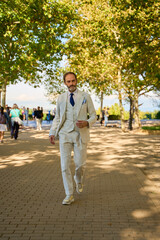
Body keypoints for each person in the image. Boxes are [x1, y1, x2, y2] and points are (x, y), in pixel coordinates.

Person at [49, 72, 97, 205]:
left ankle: (79, 180)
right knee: (64, 166)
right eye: (68, 81)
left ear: (77, 81)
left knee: (80, 164)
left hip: (80, 134)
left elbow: (94, 116)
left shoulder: (85, 97)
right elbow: (57, 117)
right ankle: (69, 194)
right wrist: (52, 132)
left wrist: (87, 123)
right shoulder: (60, 98)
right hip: (64, 134)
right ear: (65, 83)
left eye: (73, 81)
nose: (71, 84)